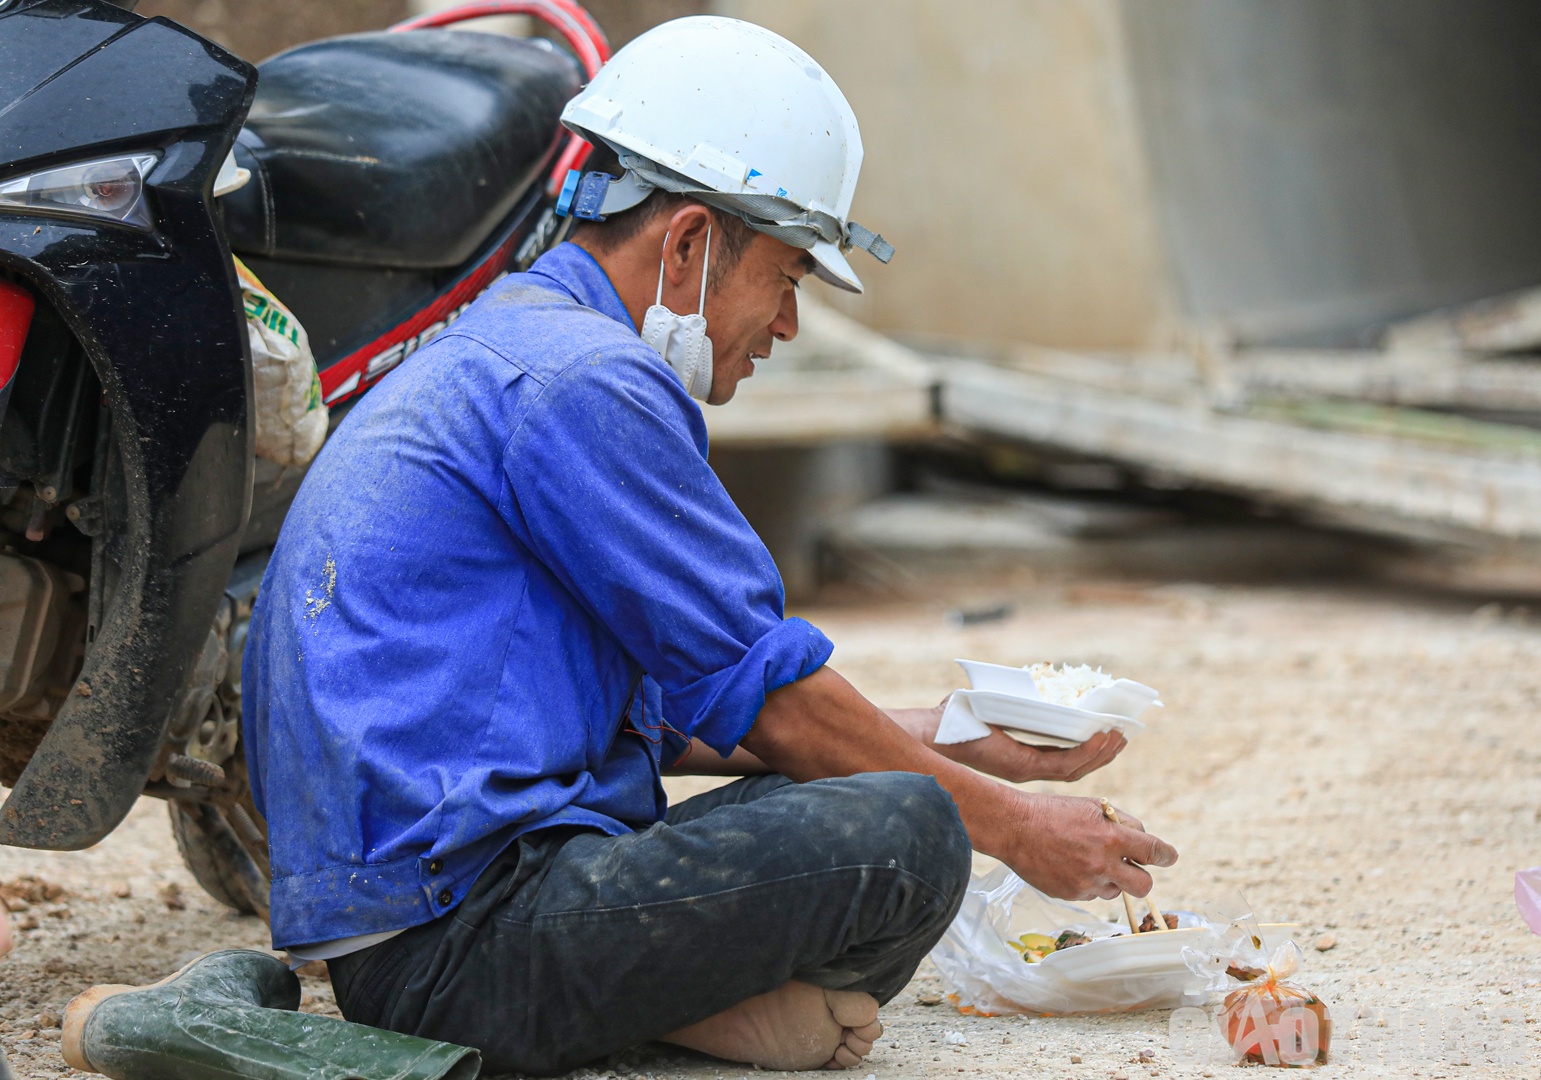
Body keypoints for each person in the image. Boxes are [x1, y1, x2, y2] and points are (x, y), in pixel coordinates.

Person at [232, 16, 1174, 1075]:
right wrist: (1016, 824)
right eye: (787, 277)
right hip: (454, 945)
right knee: (908, 834)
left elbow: (686, 714)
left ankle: (684, 1010)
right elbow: (772, 702)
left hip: (428, 923)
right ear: (686, 245)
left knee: (876, 793)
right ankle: (672, 1012)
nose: (787, 324)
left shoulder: (514, 345)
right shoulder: (586, 381)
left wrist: (963, 739)